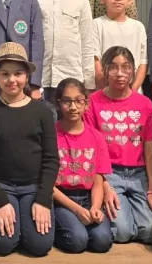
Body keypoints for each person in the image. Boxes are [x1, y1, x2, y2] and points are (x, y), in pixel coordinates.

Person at [0, 42, 58, 257]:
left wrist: (42, 199)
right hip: (2, 187)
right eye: (5, 74)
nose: (11, 80)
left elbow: (51, 160)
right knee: (3, 245)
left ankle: (26, 223)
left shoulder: (42, 112)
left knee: (40, 245)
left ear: (27, 76)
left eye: (18, 73)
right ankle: (13, 222)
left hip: (33, 187)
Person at [85, 46, 152, 245]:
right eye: (113, 67)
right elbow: (92, 150)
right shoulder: (93, 102)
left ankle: (131, 214)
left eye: (126, 67)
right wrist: (105, 186)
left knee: (150, 229)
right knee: (121, 232)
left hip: (138, 174)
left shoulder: (145, 104)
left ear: (133, 71)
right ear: (104, 70)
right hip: (109, 173)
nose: (120, 73)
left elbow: (150, 149)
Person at [52, 78, 113, 254]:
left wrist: (95, 207)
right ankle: (55, 230)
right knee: (77, 241)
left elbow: (98, 180)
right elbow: (48, 183)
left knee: (102, 241)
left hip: (87, 197)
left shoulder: (96, 137)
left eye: (78, 101)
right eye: (66, 101)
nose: (73, 107)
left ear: (86, 104)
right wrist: (77, 210)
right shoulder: (51, 135)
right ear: (58, 104)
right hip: (61, 199)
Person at [35, 0, 93, 104]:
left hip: (72, 76)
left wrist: (88, 83)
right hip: (41, 79)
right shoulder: (34, 1)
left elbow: (87, 43)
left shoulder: (80, 1)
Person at [89, 0, 148, 91]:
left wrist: (131, 91)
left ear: (130, 0)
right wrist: (108, 91)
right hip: (104, 92)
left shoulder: (138, 27)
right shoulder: (96, 24)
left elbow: (143, 62)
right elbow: (95, 60)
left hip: (132, 93)